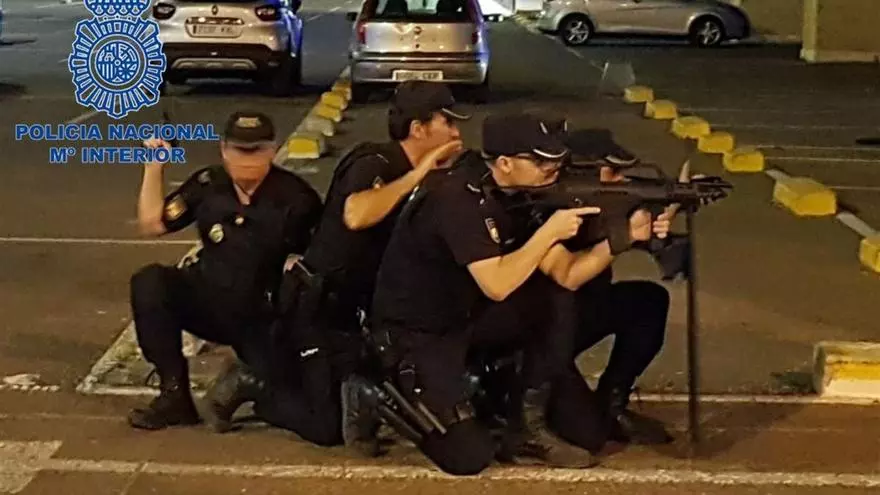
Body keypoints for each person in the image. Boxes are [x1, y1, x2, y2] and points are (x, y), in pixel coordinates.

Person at [355, 112, 669, 475]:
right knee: (467, 457)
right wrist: (548, 233)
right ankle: (372, 392)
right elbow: (498, 284)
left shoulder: (518, 192)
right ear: (504, 163)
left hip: (468, 320)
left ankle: (523, 422)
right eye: (540, 162)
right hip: (420, 333)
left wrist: (625, 237)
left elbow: (566, 274)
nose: (552, 169)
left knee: (588, 429)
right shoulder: (457, 198)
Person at [203, 81, 468, 445]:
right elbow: (356, 214)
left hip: (357, 314)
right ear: (418, 129)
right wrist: (418, 174)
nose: (456, 133)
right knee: (326, 428)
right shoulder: (374, 161)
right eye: (447, 123)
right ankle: (252, 383)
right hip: (316, 308)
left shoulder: (429, 178)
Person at [127, 111, 323, 431]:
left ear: (272, 150)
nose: (247, 160)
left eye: (256, 150)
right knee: (151, 282)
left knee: (296, 405)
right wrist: (154, 166)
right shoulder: (208, 185)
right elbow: (152, 224)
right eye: (239, 150)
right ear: (224, 150)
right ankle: (174, 395)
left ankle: (244, 384)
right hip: (209, 302)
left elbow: (321, 261)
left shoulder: (297, 199)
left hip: (262, 319)